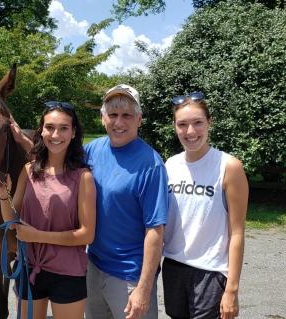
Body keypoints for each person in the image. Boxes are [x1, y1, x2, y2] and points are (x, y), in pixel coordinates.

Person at [0, 101, 96, 319]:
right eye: (50, 127)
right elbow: (12, 222)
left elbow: (86, 234)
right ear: (41, 130)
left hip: (68, 273)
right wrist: (3, 194)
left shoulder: (83, 177)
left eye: (63, 128)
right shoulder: (29, 170)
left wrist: (37, 236)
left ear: (73, 133)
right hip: (28, 267)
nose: (55, 134)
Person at [84, 84, 168, 319]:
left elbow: (155, 231)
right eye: (112, 115)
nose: (118, 122)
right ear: (103, 118)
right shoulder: (92, 150)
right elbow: (56, 165)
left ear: (139, 119)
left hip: (129, 276)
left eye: (126, 115)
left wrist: (143, 288)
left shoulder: (151, 164)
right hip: (94, 266)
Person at [163, 92, 248, 319]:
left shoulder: (228, 166)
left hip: (210, 272)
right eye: (182, 124)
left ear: (209, 122)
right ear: (175, 126)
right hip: (174, 266)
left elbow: (237, 232)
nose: (190, 132)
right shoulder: (170, 165)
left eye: (198, 123)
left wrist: (232, 288)